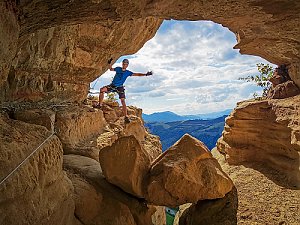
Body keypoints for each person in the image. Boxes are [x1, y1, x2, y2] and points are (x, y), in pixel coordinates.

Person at [95, 58, 152, 123]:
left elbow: (137, 74)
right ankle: (100, 105)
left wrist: (145, 74)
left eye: (126, 64)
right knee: (102, 90)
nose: (125, 65)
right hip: (113, 85)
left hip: (120, 87)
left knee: (123, 101)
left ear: (127, 65)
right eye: (124, 64)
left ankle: (126, 117)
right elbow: (111, 69)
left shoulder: (128, 72)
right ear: (122, 64)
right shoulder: (118, 69)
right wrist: (109, 63)